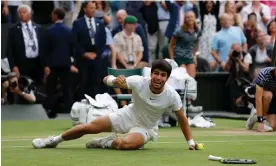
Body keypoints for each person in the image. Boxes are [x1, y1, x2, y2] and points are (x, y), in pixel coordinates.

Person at [32, 59, 198, 150]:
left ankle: (104, 142)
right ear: (151, 74)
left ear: (167, 78)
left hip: (146, 128)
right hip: (127, 115)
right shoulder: (139, 82)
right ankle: (53, 141)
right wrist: (114, 80)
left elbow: (182, 119)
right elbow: (106, 80)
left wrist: (190, 143)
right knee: (85, 128)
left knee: (125, 144)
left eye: (162, 75)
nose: (158, 78)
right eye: (156, 73)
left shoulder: (172, 95)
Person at [246, 67, 276, 132]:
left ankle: (254, 117)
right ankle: (262, 119)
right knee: (268, 95)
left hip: (272, 98)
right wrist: (261, 123)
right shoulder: (264, 73)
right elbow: (258, 99)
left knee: (272, 126)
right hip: (255, 95)